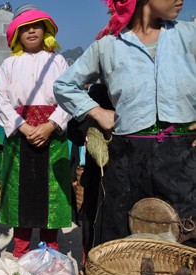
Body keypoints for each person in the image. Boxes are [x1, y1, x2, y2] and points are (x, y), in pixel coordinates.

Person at [54, 0, 196, 247]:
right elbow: (63, 85)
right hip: (126, 159)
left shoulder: (189, 35)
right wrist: (96, 111)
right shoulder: (108, 45)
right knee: (126, 233)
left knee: (185, 232)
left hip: (183, 157)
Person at [0, 5, 72, 258]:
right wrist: (25, 127)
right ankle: (21, 249)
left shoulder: (58, 60)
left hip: (53, 134)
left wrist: (50, 126)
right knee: (21, 193)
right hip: (20, 135)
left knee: (52, 193)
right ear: (16, 33)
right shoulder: (8, 64)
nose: (30, 31)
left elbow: (68, 96)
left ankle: (51, 249)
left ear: (45, 30)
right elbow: (2, 100)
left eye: (36, 26)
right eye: (24, 27)